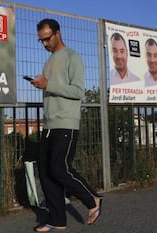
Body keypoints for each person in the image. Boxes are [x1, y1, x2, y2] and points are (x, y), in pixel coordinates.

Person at [28, 18, 102, 232]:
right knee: (46, 172)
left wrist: (49, 84)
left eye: (47, 39)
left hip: (66, 123)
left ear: (57, 33)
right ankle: (57, 219)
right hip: (49, 123)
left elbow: (79, 91)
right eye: (40, 40)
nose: (44, 44)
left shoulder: (73, 57)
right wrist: (42, 85)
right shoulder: (49, 61)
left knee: (59, 168)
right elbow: (54, 89)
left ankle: (92, 199)